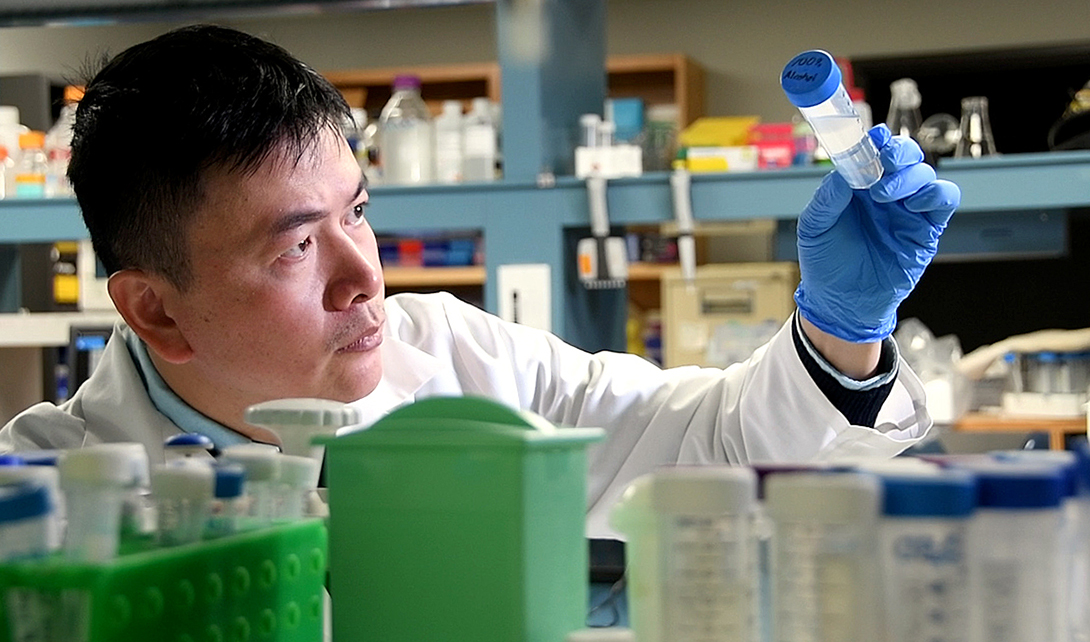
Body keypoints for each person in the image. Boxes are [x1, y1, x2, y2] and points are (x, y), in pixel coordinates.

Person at [0, 25, 959, 537]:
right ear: (155, 309)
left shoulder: (457, 357)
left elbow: (709, 442)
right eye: (296, 248)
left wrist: (841, 325)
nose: (360, 279)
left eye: (359, 213)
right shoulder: (41, 502)